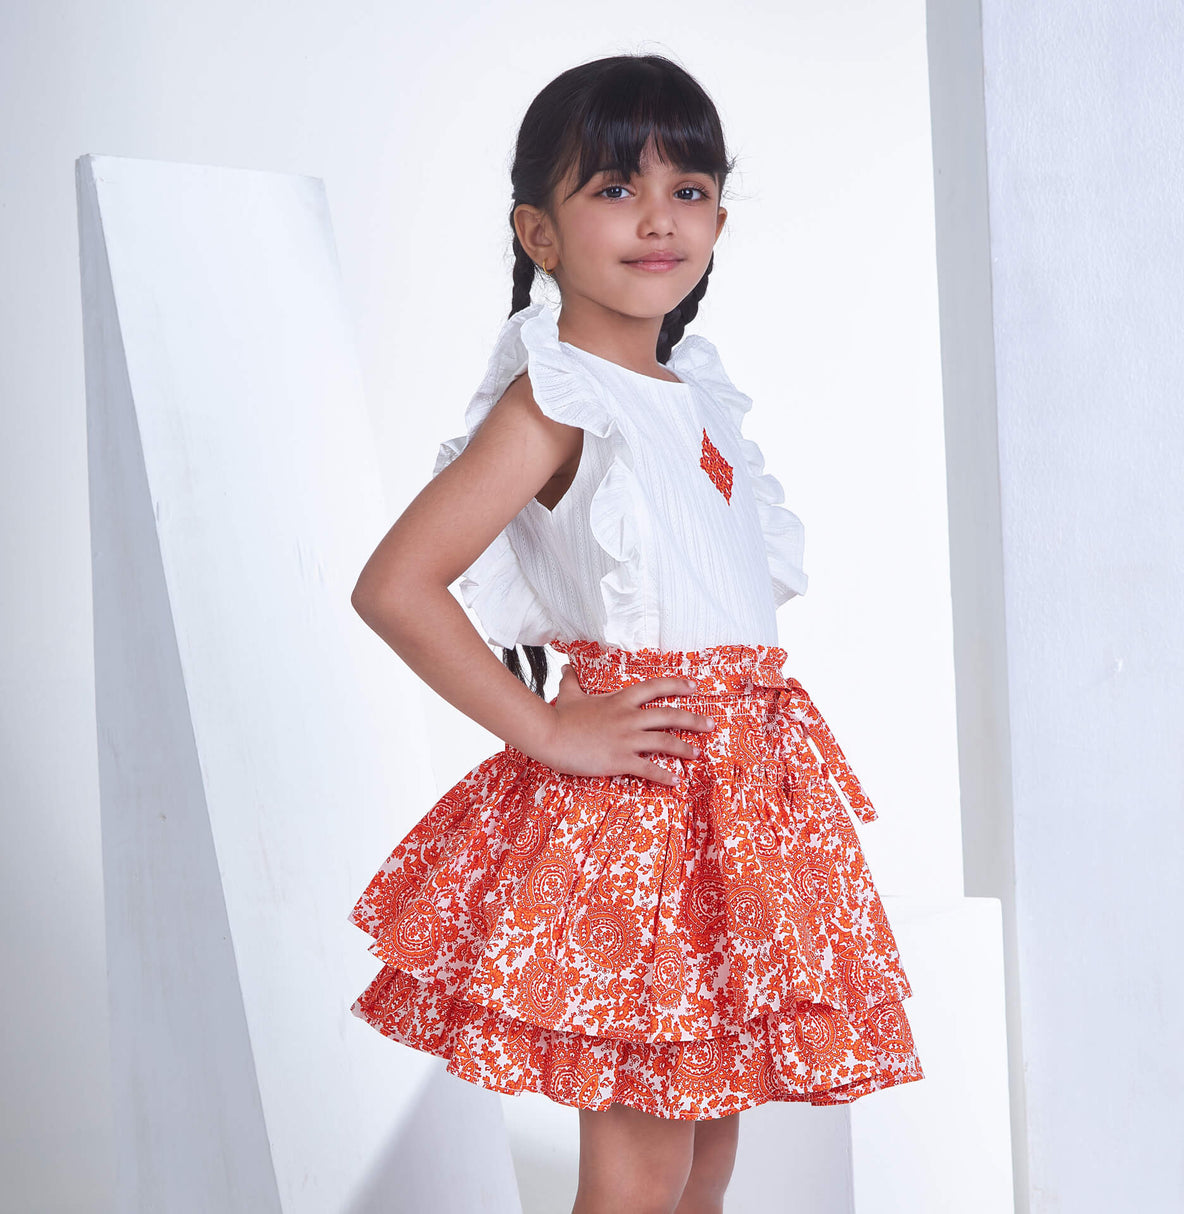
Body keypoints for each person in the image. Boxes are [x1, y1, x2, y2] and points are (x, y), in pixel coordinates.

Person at [346, 52, 924, 1214]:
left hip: (736, 810)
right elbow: (396, 583)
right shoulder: (555, 400)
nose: (659, 217)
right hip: (642, 822)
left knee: (706, 1147)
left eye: (690, 187)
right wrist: (547, 727)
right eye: (613, 187)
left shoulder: (691, 392)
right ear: (539, 231)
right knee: (641, 1158)